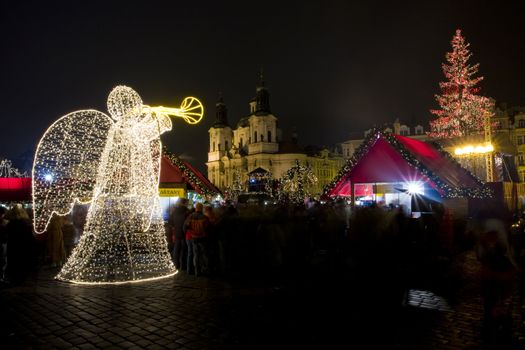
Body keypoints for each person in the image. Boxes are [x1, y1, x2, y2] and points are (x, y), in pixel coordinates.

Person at [475, 215, 519, 346]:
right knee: (494, 301)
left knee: (495, 301)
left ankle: (497, 323)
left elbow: (481, 255)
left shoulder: (495, 241)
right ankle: (497, 323)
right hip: (495, 277)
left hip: (496, 277)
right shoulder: (495, 239)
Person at [183, 202, 210, 276]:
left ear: (196, 208)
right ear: (202, 208)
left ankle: (197, 271)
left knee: (196, 254)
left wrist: (190, 232)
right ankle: (206, 270)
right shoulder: (205, 217)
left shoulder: (190, 217)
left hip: (193, 237)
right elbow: (208, 228)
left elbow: (184, 227)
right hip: (203, 238)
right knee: (204, 254)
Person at [169, 198, 189, 270]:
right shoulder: (187, 212)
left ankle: (176, 264)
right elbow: (188, 224)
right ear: (184, 203)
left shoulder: (175, 211)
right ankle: (182, 265)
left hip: (177, 232)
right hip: (184, 233)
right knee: (183, 250)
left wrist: (174, 227)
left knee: (176, 249)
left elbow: (170, 221)